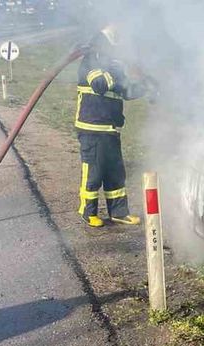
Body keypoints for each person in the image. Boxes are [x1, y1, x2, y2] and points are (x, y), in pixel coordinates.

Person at [74, 24, 143, 227]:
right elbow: (100, 85)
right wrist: (114, 68)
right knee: (94, 172)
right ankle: (88, 212)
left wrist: (146, 88)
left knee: (115, 173)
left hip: (111, 130)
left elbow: (124, 91)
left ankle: (119, 212)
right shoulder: (91, 60)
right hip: (92, 129)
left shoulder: (113, 64)